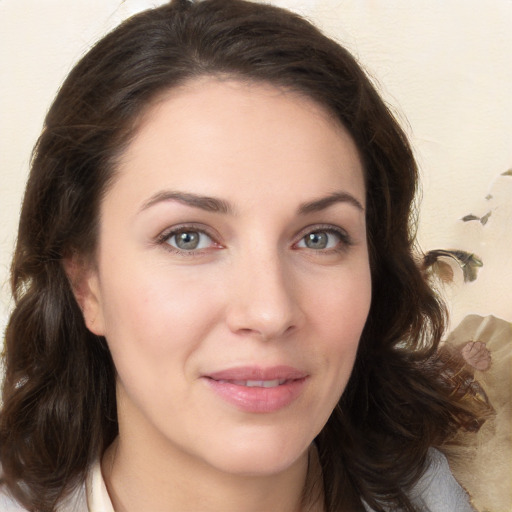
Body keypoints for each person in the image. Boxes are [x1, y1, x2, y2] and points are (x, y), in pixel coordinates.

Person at [0, 0, 490, 510]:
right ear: (87, 283)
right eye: (187, 237)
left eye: (320, 237)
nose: (270, 313)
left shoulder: (447, 494)